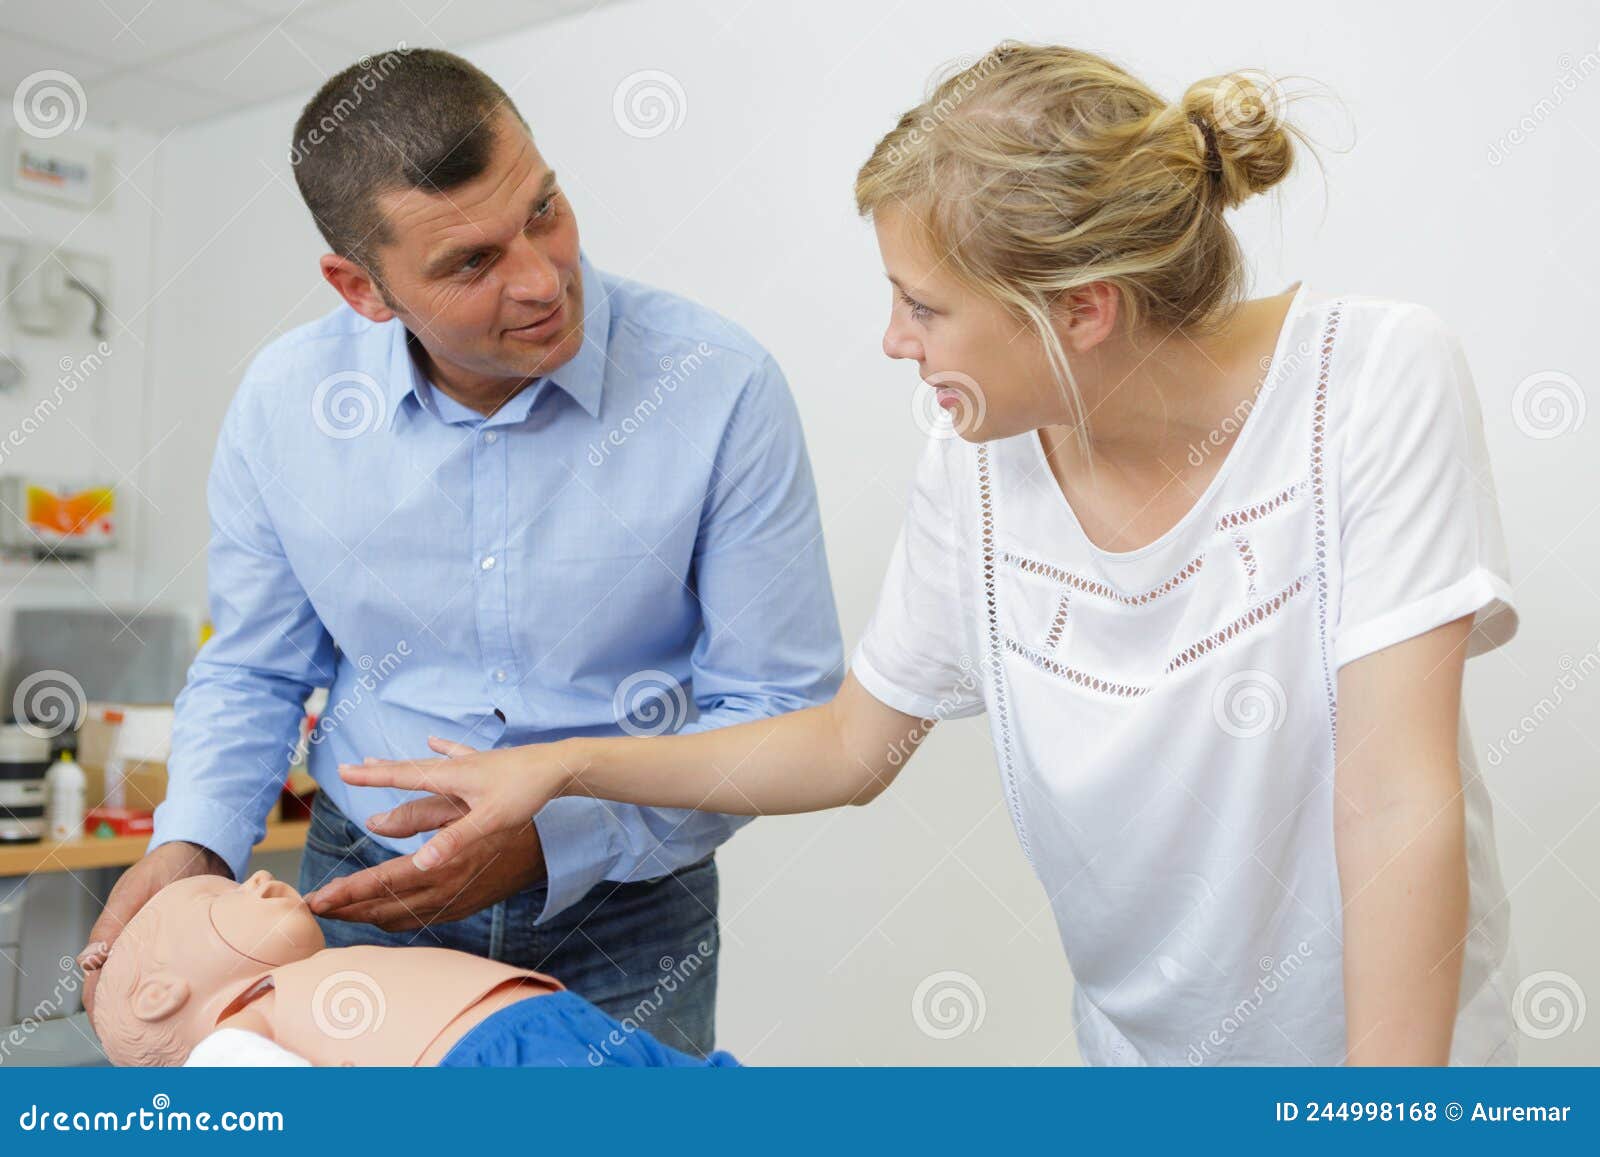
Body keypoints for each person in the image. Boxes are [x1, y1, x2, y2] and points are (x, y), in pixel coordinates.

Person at [343, 42, 1522, 1066]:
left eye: (923, 304)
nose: (894, 340)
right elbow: (850, 747)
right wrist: (561, 764)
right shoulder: (977, 456)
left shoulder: (1370, 378)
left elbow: (1393, 796)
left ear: (1080, 310)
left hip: (1396, 1059)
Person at [81, 48, 843, 1058]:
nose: (540, 279)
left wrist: (554, 839)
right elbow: (257, 665)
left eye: (542, 209)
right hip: (353, 892)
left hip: (626, 911)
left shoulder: (720, 387)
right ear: (361, 287)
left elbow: (778, 713)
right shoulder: (284, 406)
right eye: (470, 262)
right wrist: (193, 843)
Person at [82, 871, 737, 1068]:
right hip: (500, 1060)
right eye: (214, 898)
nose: (253, 875)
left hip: (551, 1028)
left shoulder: (301, 987)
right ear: (160, 993)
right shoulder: (228, 1044)